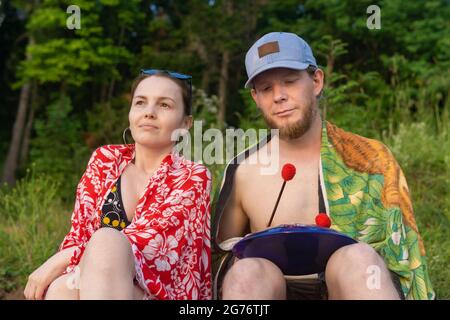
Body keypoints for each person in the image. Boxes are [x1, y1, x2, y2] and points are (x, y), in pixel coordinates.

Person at [213, 32, 434, 300]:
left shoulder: (370, 159)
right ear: (255, 98)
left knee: (359, 258)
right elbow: (220, 256)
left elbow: (402, 256)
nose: (279, 96)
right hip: (273, 290)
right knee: (245, 272)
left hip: (351, 286)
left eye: (290, 82)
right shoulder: (243, 170)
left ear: (316, 81)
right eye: (266, 88)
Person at [24, 69, 212, 300]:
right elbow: (79, 236)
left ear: (185, 123)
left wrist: (60, 259)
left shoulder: (193, 176)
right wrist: (71, 258)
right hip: (96, 285)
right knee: (61, 290)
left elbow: (149, 247)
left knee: (107, 240)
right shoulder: (105, 160)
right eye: (141, 102)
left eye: (164, 105)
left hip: (161, 292)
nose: (149, 113)